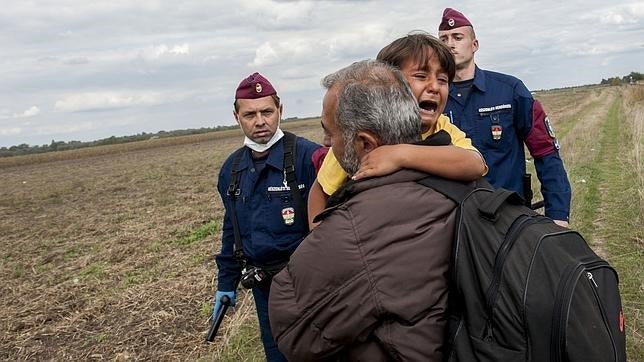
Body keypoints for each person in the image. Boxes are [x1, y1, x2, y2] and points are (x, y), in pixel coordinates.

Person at [269, 59, 458, 361]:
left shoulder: (353, 231)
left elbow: (291, 326)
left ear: (365, 144)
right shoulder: (457, 178)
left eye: (330, 133)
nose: (326, 143)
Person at [307, 32, 487, 229]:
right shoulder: (358, 134)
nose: (434, 87)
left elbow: (474, 164)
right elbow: (321, 189)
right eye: (421, 76)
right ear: (389, 82)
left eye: (443, 80)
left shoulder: (441, 127)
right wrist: (319, 235)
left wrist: (401, 155)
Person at [213, 72, 320, 362]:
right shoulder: (231, 170)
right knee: (277, 354)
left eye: (267, 112)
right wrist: (226, 282)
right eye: (250, 114)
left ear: (280, 111)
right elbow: (231, 229)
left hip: (307, 285)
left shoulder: (309, 157)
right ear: (236, 116)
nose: (260, 121)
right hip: (263, 286)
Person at [438, 8, 572, 226]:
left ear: (475, 45)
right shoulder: (431, 98)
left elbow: (546, 152)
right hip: (452, 221)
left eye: (457, 37)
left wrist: (558, 214)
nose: (450, 44)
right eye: (443, 39)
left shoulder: (510, 90)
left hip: (507, 216)